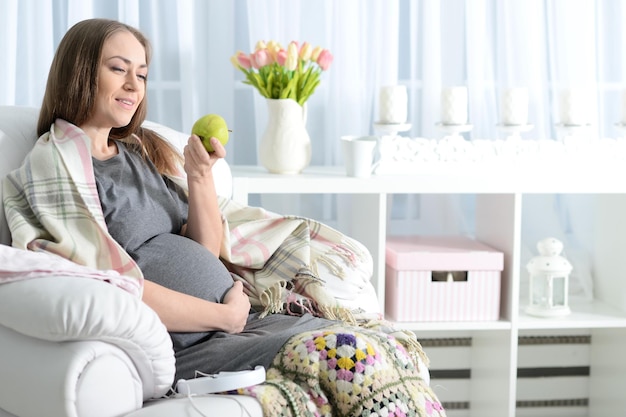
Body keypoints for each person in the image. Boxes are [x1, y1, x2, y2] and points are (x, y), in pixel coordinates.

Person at [4, 18, 445, 416]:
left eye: (141, 74)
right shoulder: (58, 162)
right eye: (119, 69)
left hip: (240, 321)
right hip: (194, 341)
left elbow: (207, 250)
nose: (134, 85)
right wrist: (222, 318)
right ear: (80, 71)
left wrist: (199, 177)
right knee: (347, 355)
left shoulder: (137, 152)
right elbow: (110, 283)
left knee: (386, 345)